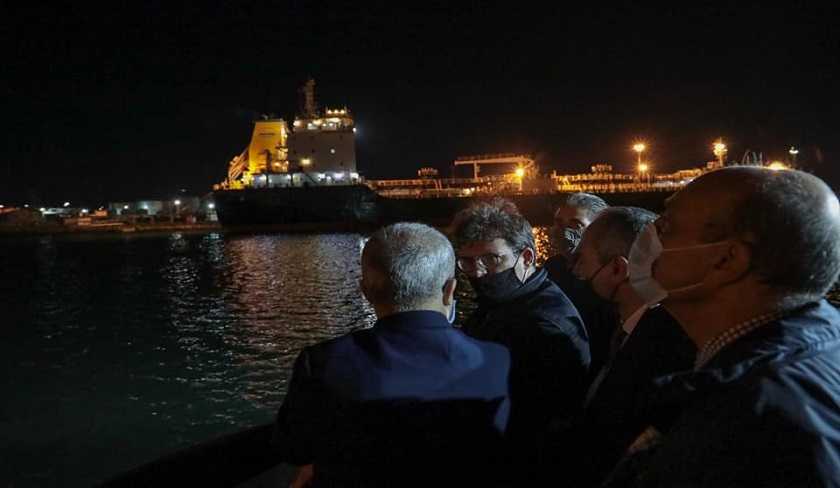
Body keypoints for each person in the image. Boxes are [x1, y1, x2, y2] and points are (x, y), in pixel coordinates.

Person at [605, 167, 840, 487]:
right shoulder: (813, 354)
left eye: (666, 226)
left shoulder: (755, 425)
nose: (648, 237)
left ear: (727, 260)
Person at [273, 222, 511, 487]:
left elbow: (293, 448)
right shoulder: (495, 360)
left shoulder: (323, 362)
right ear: (450, 290)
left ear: (366, 292)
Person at [559, 207, 695, 486]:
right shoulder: (623, 327)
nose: (575, 271)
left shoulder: (666, 351)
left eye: (581, 260)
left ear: (617, 269)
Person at [451, 199, 590, 458]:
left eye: (492, 259)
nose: (478, 273)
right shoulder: (505, 301)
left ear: (527, 257)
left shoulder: (543, 327)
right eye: (468, 262)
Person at [544, 192, 616, 377]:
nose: (563, 230)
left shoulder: (610, 274)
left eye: (576, 224)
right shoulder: (551, 268)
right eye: (559, 222)